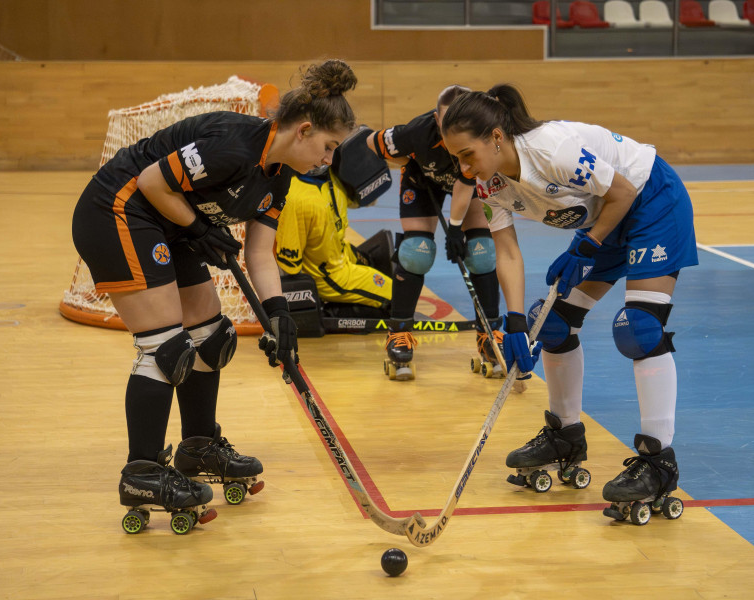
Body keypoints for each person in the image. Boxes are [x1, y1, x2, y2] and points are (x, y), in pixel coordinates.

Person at [71, 59, 358, 533]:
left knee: (213, 336)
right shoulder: (234, 145)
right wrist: (200, 228)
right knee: (166, 348)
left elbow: (260, 253)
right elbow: (151, 182)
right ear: (304, 130)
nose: (328, 160)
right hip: (118, 209)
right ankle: (141, 472)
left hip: (166, 221)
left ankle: (198, 447)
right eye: (328, 147)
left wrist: (279, 316)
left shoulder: (281, 174)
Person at [441, 84, 696, 524]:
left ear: (497, 137)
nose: (463, 169)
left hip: (650, 200)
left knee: (638, 328)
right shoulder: (491, 184)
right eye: (456, 159)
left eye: (467, 155)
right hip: (607, 218)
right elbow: (507, 252)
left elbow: (622, 193)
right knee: (550, 323)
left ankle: (659, 460)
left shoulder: (551, 151)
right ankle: (566, 434)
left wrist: (588, 245)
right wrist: (516, 323)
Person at [366, 85, 503, 381]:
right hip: (422, 181)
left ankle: (489, 332)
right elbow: (372, 142)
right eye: (445, 120)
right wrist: (406, 160)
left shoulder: (476, 132)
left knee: (481, 253)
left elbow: (465, 184)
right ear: (436, 118)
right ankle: (399, 333)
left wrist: (455, 230)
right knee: (416, 252)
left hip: (468, 184)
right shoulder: (416, 131)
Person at [276, 128, 394, 322]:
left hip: (341, 253)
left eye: (333, 148)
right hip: (330, 276)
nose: (329, 157)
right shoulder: (297, 200)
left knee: (380, 263)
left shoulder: (333, 175)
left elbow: (360, 199)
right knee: (399, 299)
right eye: (326, 148)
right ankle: (332, 311)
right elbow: (289, 266)